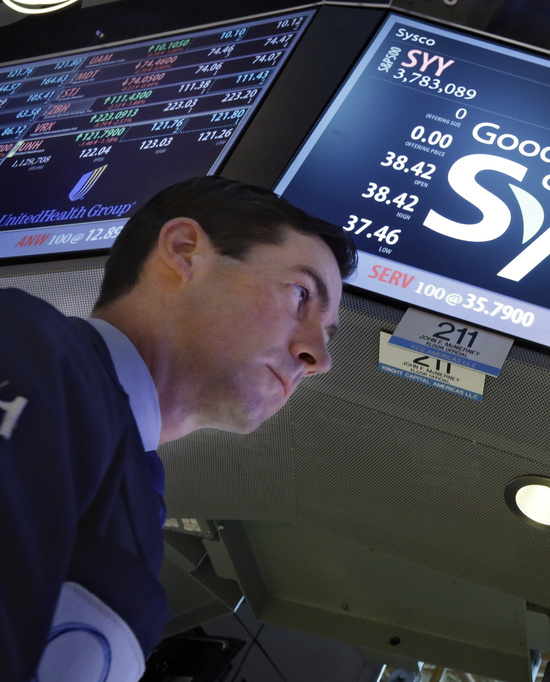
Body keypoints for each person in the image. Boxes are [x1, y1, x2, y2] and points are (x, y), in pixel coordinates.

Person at [0, 176, 357, 682]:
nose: (318, 358)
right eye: (301, 295)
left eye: (327, 335)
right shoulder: (24, 344)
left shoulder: (136, 497)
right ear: (185, 250)